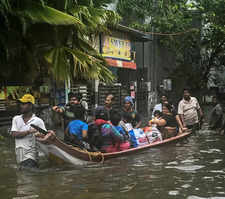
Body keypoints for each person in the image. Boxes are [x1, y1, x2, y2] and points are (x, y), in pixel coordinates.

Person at [11, 94, 47, 169]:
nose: (21, 105)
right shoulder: (16, 119)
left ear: (30, 106)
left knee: (28, 176)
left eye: (24, 104)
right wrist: (29, 132)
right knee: (24, 178)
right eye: (21, 103)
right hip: (19, 155)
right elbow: (14, 134)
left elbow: (45, 138)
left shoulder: (38, 121)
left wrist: (39, 135)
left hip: (31, 156)